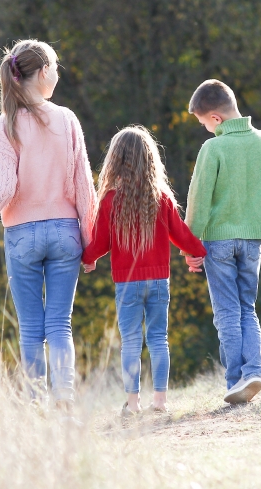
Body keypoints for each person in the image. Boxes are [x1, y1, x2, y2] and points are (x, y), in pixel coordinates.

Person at [0, 39, 97, 410]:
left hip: (21, 236)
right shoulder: (67, 119)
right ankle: (64, 395)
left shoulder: (4, 125)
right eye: (56, 69)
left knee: (32, 327)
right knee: (59, 324)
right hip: (66, 233)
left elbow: (3, 188)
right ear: (45, 72)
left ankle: (35, 403)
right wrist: (90, 239)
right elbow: (84, 185)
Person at [184, 80, 261, 405]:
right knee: (246, 307)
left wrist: (189, 246)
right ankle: (254, 370)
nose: (206, 131)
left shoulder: (214, 148)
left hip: (218, 241)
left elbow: (198, 201)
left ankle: (236, 379)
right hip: (253, 240)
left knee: (226, 311)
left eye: (203, 124)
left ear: (215, 119)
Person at [81, 126, 206, 417]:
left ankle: (134, 404)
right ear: (150, 160)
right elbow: (181, 234)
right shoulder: (160, 198)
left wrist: (88, 258)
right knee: (159, 339)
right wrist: (196, 253)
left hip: (127, 284)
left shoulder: (111, 200)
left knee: (131, 343)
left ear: (115, 160)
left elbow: (100, 242)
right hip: (159, 281)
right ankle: (160, 402)